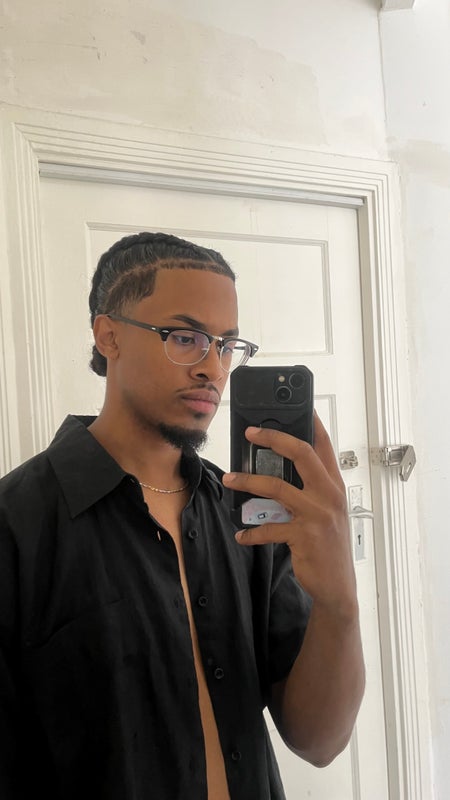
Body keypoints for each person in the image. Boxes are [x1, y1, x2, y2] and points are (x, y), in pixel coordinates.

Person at [0, 232, 365, 800]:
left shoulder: (248, 514)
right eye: (185, 337)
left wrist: (339, 601)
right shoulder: (16, 525)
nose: (213, 368)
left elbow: (319, 742)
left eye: (227, 345)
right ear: (108, 335)